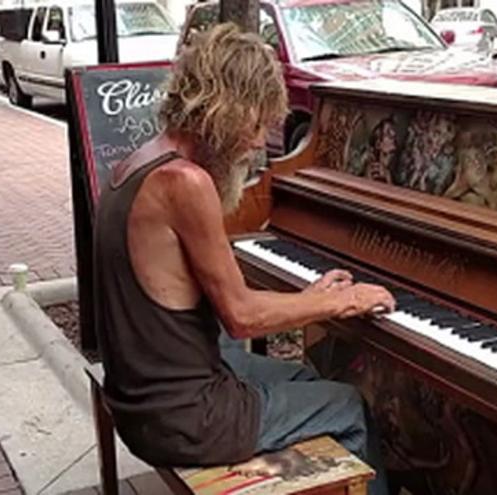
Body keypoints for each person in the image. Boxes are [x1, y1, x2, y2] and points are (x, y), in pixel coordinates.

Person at [92, 24, 394, 495]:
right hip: (185, 418)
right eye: (256, 124)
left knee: (303, 376)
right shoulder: (185, 183)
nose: (259, 143)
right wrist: (340, 302)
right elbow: (242, 316)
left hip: (141, 397)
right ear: (226, 110)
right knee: (351, 406)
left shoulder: (135, 164)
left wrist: (307, 297)